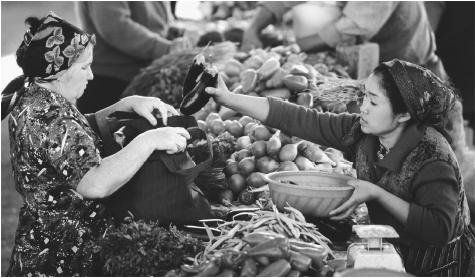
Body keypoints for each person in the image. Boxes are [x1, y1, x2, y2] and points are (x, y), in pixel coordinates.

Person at [205, 59, 475, 276]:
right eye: (364, 97)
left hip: (438, 264)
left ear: (404, 114)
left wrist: (377, 193)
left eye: (373, 101)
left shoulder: (432, 157)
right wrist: (229, 98)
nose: (363, 108)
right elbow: (300, 118)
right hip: (390, 250)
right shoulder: (362, 131)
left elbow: (440, 228)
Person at [1, 12, 190, 276]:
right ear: (58, 71)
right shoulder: (46, 115)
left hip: (55, 241)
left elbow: (73, 135)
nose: (90, 75)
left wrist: (123, 106)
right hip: (60, 257)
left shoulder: (38, 94)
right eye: (83, 67)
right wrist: (151, 140)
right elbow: (96, 183)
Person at [241, 1, 448, 80]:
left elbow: (350, 27)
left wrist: (299, 46)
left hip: (416, 77)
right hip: (375, 74)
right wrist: (253, 29)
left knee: (431, 162)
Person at [75, 1, 192, 114]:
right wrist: (164, 47)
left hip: (138, 78)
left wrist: (175, 33)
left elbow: (154, 19)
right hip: (108, 82)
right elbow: (115, 26)